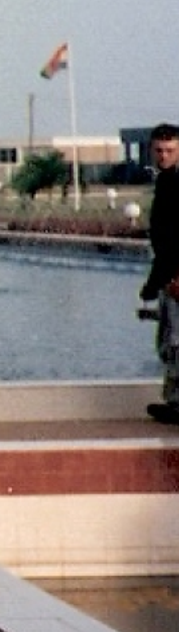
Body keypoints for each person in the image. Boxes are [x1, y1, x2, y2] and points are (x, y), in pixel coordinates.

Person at [141, 124, 179, 424]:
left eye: (170, 150)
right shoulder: (166, 181)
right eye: (159, 150)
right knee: (168, 340)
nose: (163, 156)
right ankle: (174, 400)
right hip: (168, 272)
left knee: (175, 341)